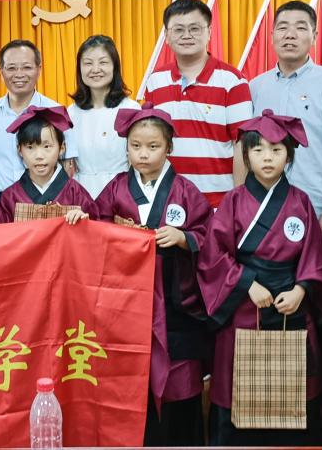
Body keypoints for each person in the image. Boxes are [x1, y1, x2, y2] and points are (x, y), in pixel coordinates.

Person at [200, 110, 322, 446]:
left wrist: (302, 288)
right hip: (244, 305)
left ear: (289, 154)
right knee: (238, 384)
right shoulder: (233, 201)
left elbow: (315, 256)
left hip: (291, 305)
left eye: (276, 149)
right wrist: (246, 283)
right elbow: (214, 255)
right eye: (258, 150)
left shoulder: (300, 202)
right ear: (246, 156)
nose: (268, 158)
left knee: (295, 386)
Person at [94, 106, 212, 447]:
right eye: (135, 146)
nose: (143, 154)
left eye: (153, 146)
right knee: (134, 381)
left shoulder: (186, 191)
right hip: (130, 302)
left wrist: (184, 238)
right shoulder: (116, 189)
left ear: (169, 147)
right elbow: (97, 228)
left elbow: (210, 236)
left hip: (177, 304)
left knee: (180, 382)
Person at [249, 0, 322, 243]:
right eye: (282, 27)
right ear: (272, 36)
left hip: (316, 206)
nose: (290, 34)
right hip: (263, 207)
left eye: (301, 27)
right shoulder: (256, 86)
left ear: (315, 36)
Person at [144, 0, 253, 208]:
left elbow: (242, 145)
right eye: (178, 29)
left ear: (209, 32)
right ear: (166, 36)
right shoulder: (156, 81)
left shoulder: (233, 81)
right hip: (167, 200)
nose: (186, 35)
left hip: (219, 202)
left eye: (194, 28)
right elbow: (150, 141)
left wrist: (238, 202)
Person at [0, 39, 77, 193]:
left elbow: (68, 164)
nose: (19, 74)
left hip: (46, 200)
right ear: (1, 71)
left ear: (39, 69)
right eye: (11, 68)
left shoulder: (55, 111)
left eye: (27, 67)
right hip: (2, 201)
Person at [67, 35, 140, 198]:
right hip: (80, 195)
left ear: (115, 66)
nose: (95, 69)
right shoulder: (71, 112)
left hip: (120, 194)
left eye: (103, 62)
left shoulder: (131, 109)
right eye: (88, 63)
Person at [0, 106, 96, 223]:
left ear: (62, 148)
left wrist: (84, 221)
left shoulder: (76, 193)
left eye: (47, 146)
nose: (39, 155)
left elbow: (97, 227)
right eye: (30, 147)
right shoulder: (10, 197)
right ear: (19, 150)